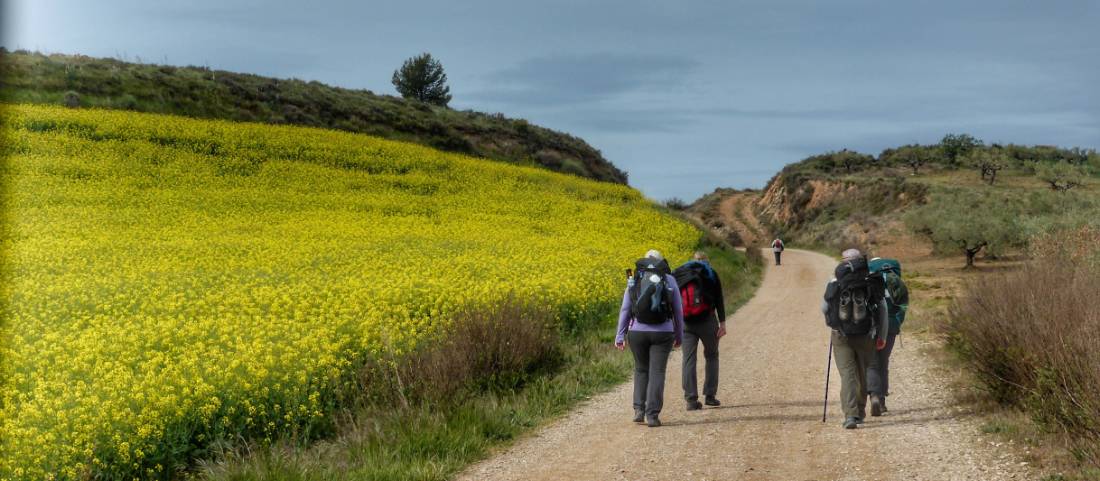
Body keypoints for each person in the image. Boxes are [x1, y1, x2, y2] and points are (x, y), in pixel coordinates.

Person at [822, 248, 889, 429]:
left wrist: (833, 323)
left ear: (843, 261)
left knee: (847, 375)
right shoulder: (872, 279)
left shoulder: (835, 280)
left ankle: (850, 415)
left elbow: (824, 307)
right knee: (862, 372)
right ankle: (859, 412)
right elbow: (883, 309)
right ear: (861, 260)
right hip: (866, 334)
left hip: (840, 335)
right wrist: (881, 335)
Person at [616, 250, 684, 427]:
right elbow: (678, 310)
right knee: (657, 372)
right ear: (662, 263)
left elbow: (625, 309)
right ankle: (652, 415)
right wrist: (679, 335)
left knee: (641, 370)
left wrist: (620, 335)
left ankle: (639, 410)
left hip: (637, 331)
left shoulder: (635, 279)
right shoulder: (669, 279)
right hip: (663, 332)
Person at [674, 251, 727, 410]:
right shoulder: (711, 273)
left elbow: (674, 299)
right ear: (707, 260)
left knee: (688, 359)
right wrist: (722, 323)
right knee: (712, 356)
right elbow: (719, 298)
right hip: (707, 321)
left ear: (692, 259)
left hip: (686, 323)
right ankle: (710, 396)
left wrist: (674, 323)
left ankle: (691, 399)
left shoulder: (681, 273)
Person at [866, 257, 909, 416]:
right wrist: (897, 323)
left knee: (871, 363)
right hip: (891, 326)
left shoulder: (869, 280)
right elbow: (903, 307)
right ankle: (882, 402)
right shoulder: (897, 282)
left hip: (871, 326)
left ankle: (874, 396)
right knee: (883, 362)